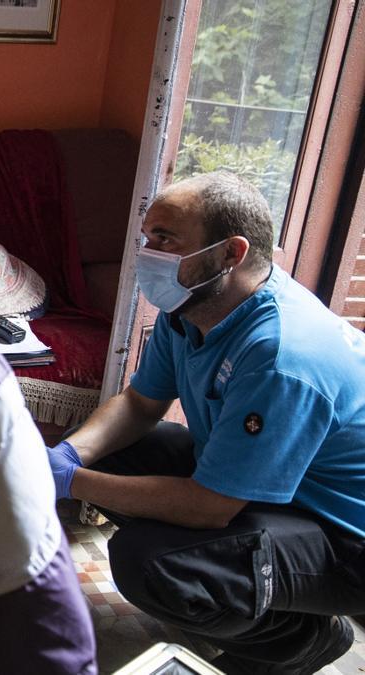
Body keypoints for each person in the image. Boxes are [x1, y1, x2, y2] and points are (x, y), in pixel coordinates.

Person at [45, 171, 365, 674]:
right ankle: (246, 595)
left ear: (229, 254)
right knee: (115, 453)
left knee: (152, 564)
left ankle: (299, 642)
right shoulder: (193, 306)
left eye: (165, 239)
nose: (147, 251)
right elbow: (139, 404)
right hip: (279, 493)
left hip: (344, 538)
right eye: (148, 236)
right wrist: (67, 457)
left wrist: (71, 482)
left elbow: (211, 506)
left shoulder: (279, 353)